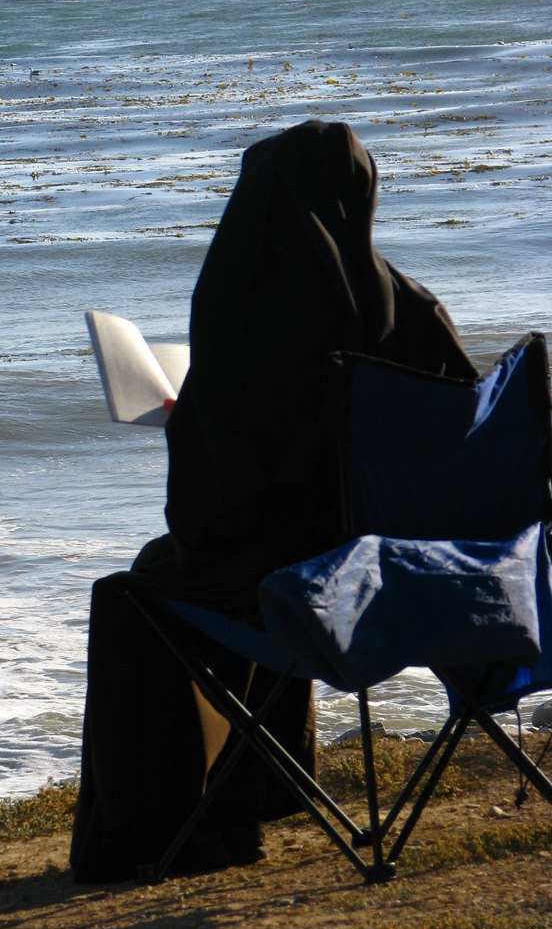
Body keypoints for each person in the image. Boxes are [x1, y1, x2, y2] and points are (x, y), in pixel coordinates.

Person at [69, 120, 476, 883]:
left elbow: (210, 511)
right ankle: (255, 795)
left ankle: (171, 833)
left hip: (304, 585)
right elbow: (458, 449)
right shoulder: (415, 312)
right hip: (419, 582)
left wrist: (181, 422)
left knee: (142, 593)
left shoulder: (249, 323)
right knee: (243, 559)